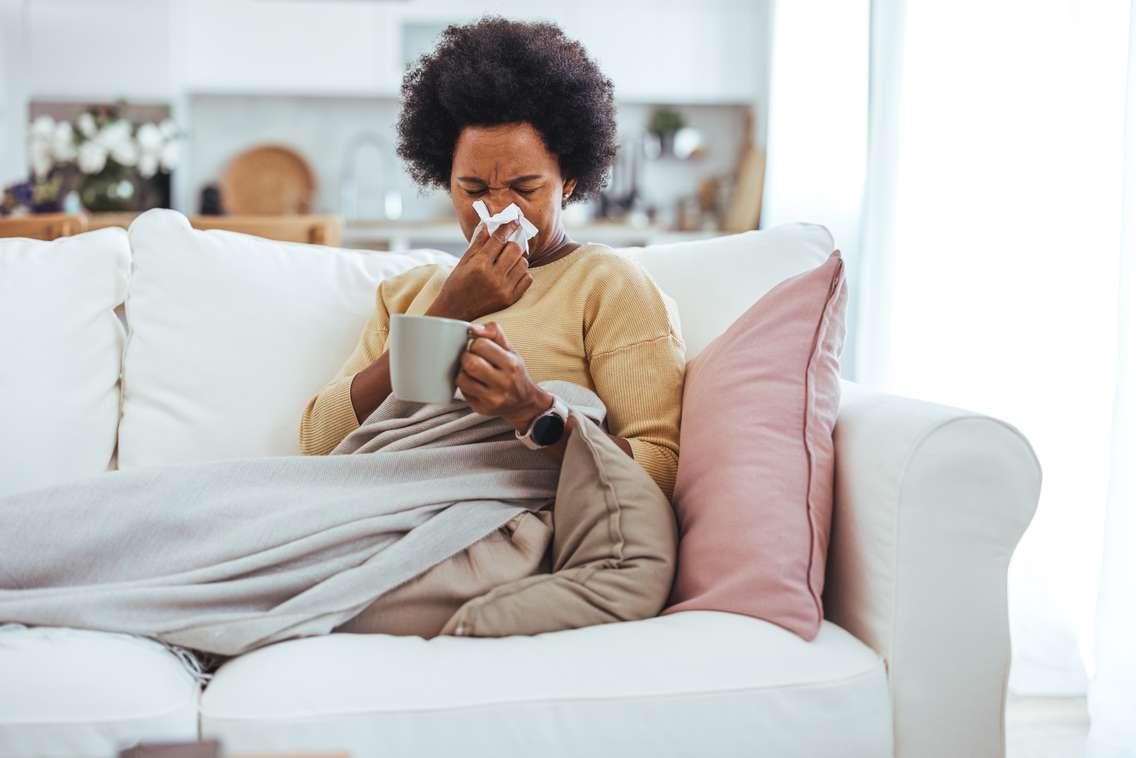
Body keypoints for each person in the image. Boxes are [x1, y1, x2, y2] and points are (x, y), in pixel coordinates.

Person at [299, 17, 684, 637]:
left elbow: (658, 471)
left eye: (526, 188)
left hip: (493, 527)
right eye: (472, 187)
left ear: (571, 181)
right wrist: (447, 311)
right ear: (441, 180)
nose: (496, 210)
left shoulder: (609, 285)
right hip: (371, 509)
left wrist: (533, 410)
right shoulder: (410, 295)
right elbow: (321, 445)